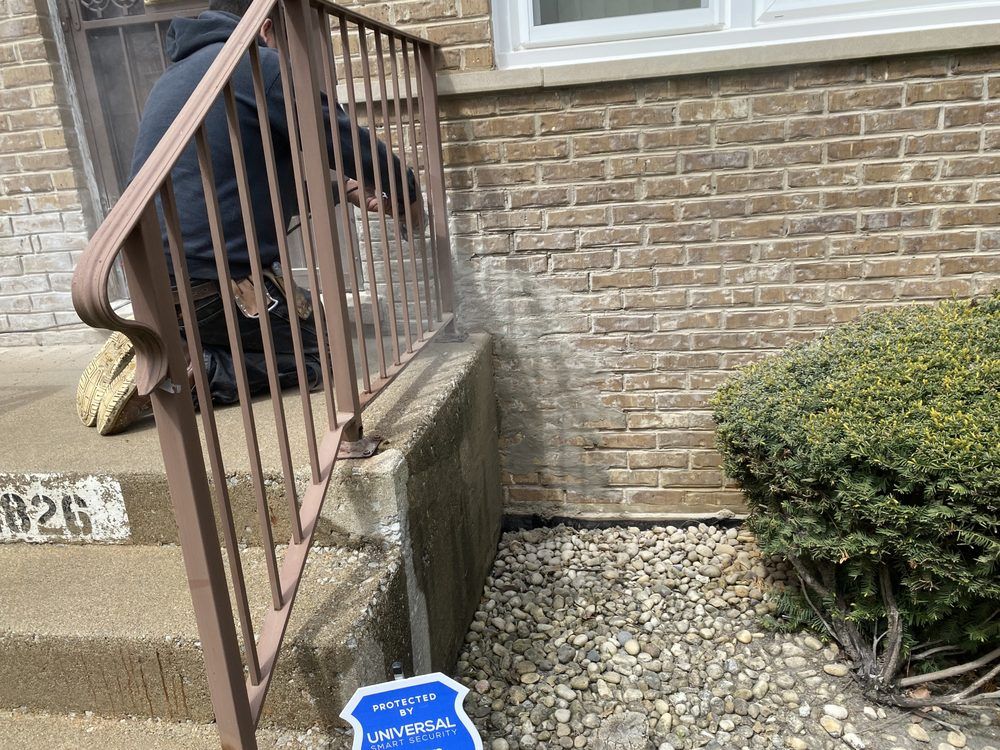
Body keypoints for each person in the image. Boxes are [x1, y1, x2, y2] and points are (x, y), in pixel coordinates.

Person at [77, 0, 422, 435]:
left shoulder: (179, 78)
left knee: (307, 310)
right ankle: (184, 369)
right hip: (213, 286)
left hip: (158, 285)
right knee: (327, 353)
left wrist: (344, 190)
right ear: (267, 26)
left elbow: (244, 189)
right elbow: (347, 142)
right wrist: (410, 198)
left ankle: (168, 339)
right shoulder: (258, 66)